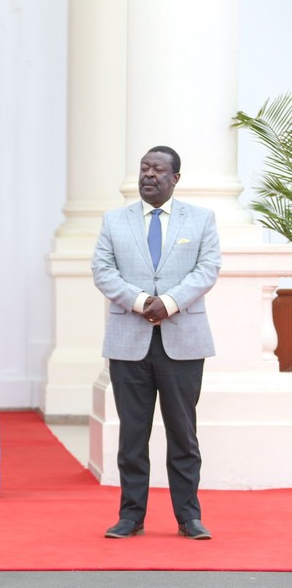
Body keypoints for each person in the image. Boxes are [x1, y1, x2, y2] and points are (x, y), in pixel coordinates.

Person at [91, 145, 221, 540]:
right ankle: (131, 516)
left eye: (159, 169)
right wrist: (139, 301)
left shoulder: (200, 219)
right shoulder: (115, 220)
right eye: (144, 168)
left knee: (183, 433)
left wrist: (168, 303)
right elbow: (102, 269)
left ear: (175, 178)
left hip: (182, 342)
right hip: (128, 342)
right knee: (133, 435)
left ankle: (189, 517)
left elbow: (208, 268)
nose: (149, 175)